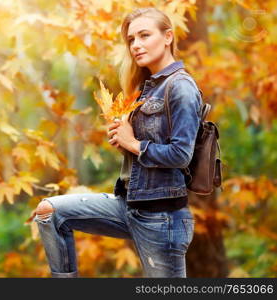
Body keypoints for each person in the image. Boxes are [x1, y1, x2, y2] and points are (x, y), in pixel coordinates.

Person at [33, 7, 201, 278]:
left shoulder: (180, 86)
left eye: (144, 35)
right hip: (130, 205)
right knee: (49, 212)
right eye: (131, 39)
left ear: (168, 36)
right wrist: (125, 141)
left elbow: (181, 154)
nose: (136, 45)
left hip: (162, 220)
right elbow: (148, 145)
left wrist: (134, 144)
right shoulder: (148, 86)